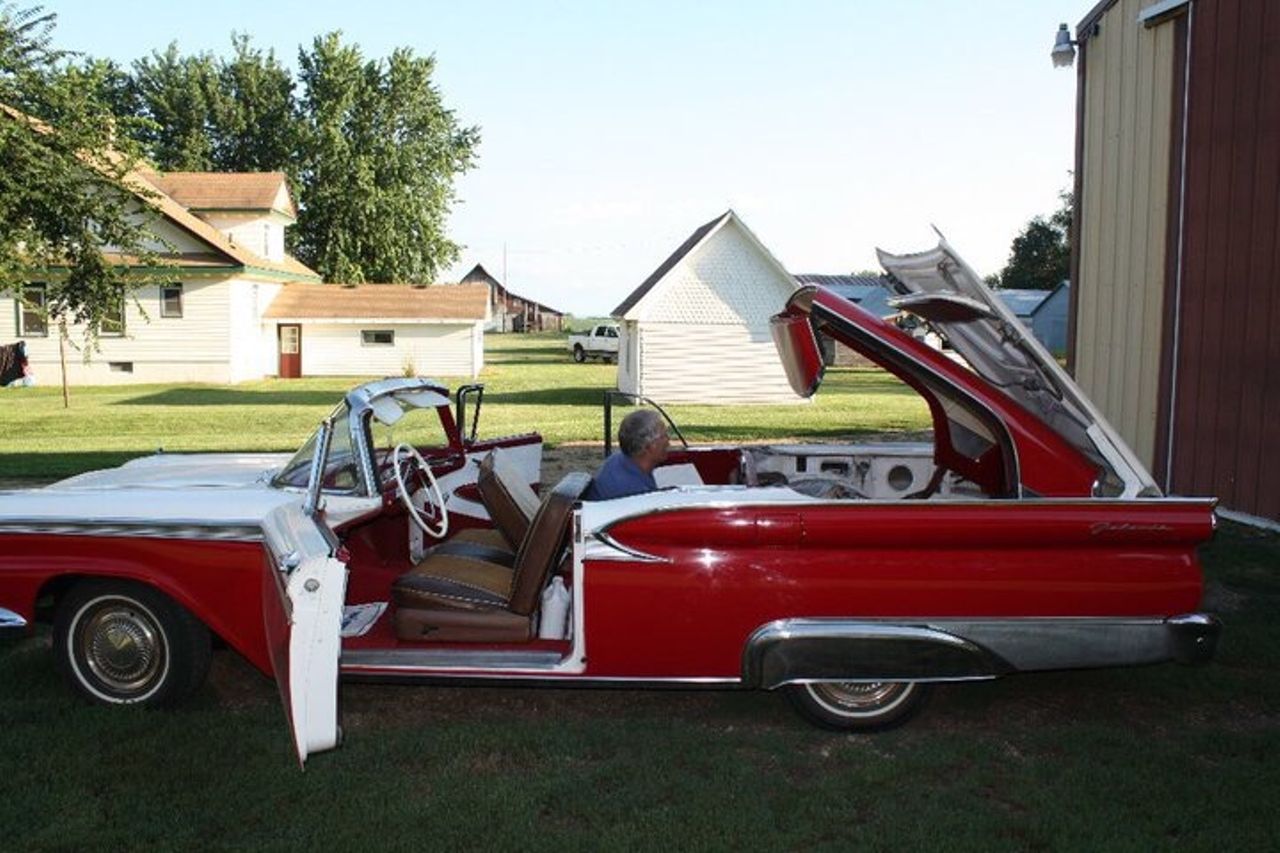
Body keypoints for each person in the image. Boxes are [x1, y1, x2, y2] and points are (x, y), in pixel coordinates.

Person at [584, 409, 670, 500]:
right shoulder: (635, 493)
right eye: (664, 436)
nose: (668, 441)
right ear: (648, 446)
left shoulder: (617, 460)